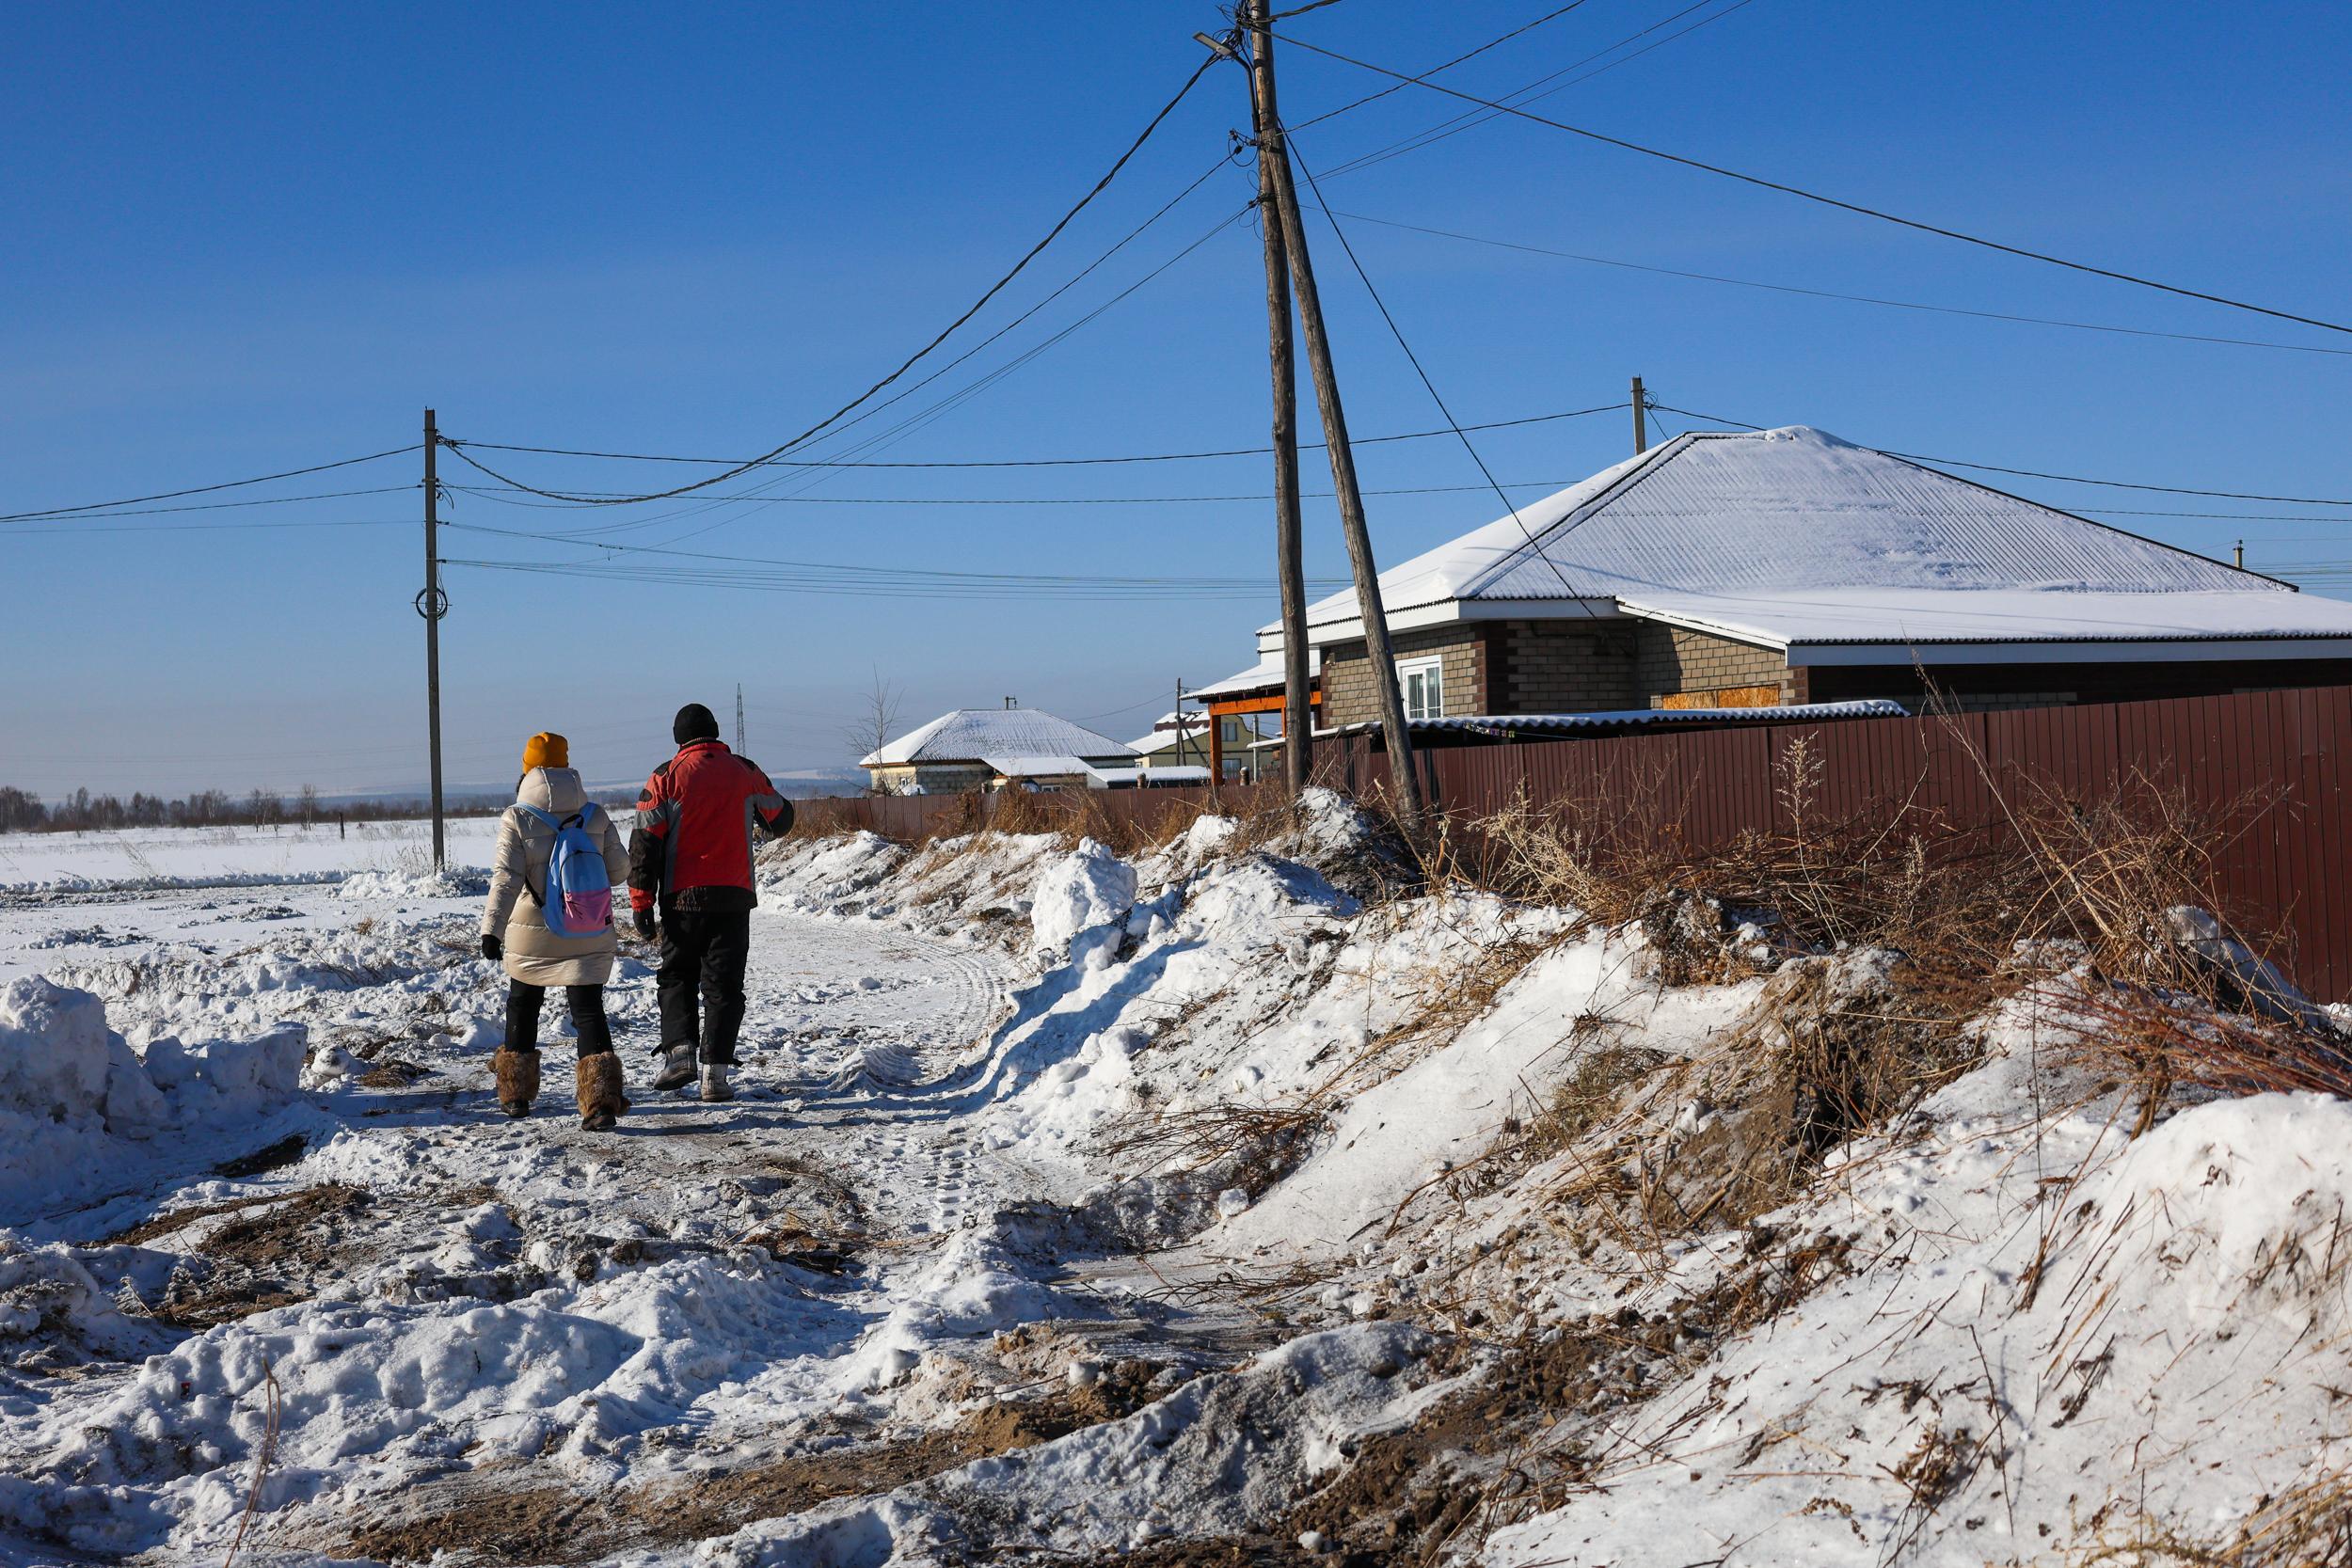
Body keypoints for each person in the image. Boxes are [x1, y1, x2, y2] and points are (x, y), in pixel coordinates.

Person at [629, 703, 793, 1102]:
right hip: (734, 896)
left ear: (678, 738)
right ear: (716, 733)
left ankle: (680, 1054)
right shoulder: (745, 771)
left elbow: (644, 846)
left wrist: (641, 904)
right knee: (724, 986)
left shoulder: (664, 778)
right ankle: (715, 1077)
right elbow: (781, 819)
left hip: (680, 898)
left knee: (676, 975)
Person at [482, 732, 632, 1130]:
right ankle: (600, 1102)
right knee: (587, 1011)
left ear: (526, 768)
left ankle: (515, 1095)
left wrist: (491, 931)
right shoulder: (595, 814)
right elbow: (620, 872)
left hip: (533, 931)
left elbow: (505, 880)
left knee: (523, 1004)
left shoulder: (516, 817)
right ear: (568, 765)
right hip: (588, 928)